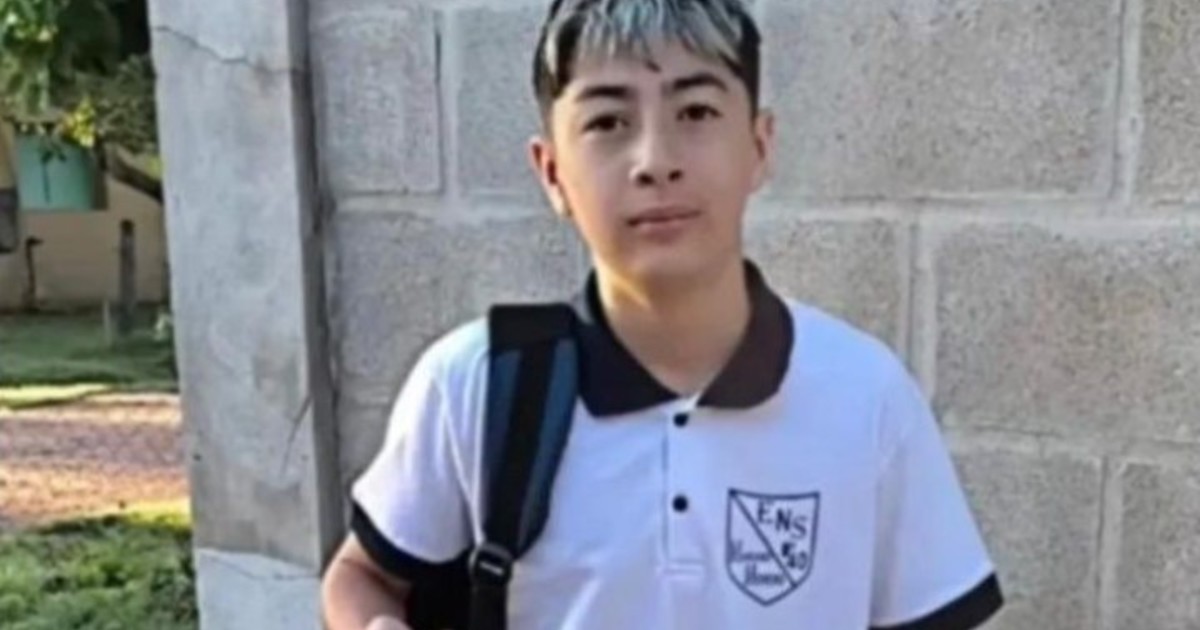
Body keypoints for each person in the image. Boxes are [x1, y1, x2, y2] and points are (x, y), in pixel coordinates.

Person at [321, 1, 1004, 628]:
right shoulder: (476, 382)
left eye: (696, 112)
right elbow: (360, 577)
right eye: (608, 123)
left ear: (759, 146)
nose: (655, 161)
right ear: (552, 172)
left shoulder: (866, 395)